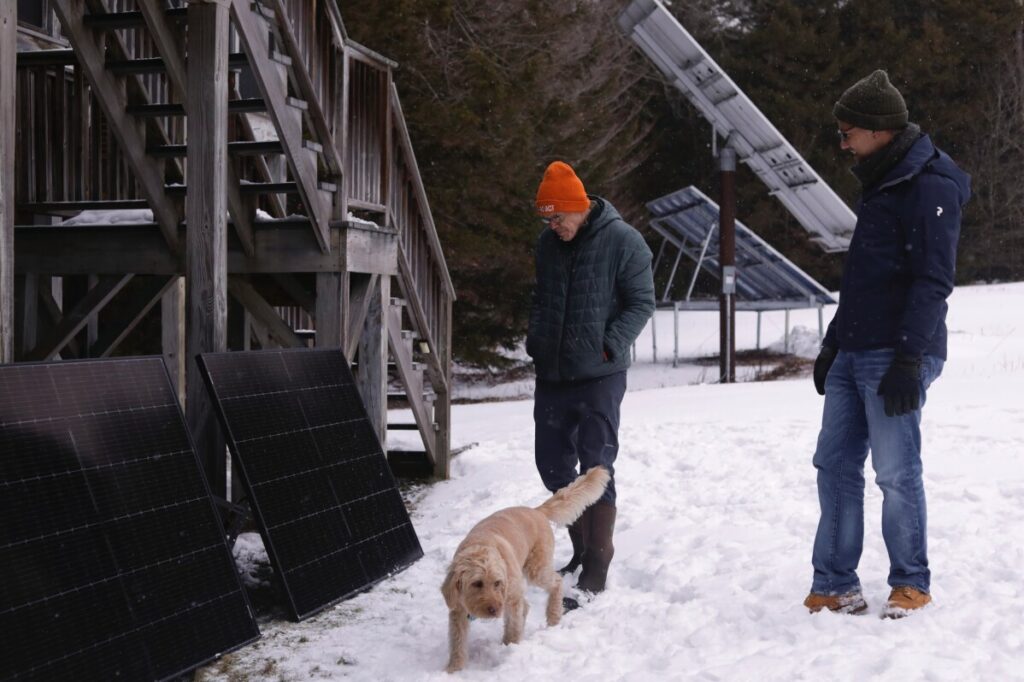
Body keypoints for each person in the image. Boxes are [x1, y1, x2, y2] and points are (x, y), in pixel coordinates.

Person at [805, 70, 971, 617]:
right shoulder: (883, 179)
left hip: (898, 350)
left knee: (896, 472)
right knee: (834, 465)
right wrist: (833, 343)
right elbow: (864, 276)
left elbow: (932, 279)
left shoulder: (929, 184)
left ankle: (911, 582)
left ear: (879, 130)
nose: (842, 143)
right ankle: (835, 584)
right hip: (856, 347)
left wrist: (909, 357)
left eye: (848, 132)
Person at [526, 160, 655, 599]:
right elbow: (541, 298)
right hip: (553, 372)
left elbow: (642, 302)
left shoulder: (624, 241)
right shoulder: (548, 244)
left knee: (596, 465)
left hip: (600, 373)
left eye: (558, 216)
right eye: (547, 219)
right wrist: (537, 339)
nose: (553, 225)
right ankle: (579, 550)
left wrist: (608, 346)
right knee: (552, 464)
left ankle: (597, 562)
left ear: (578, 207)